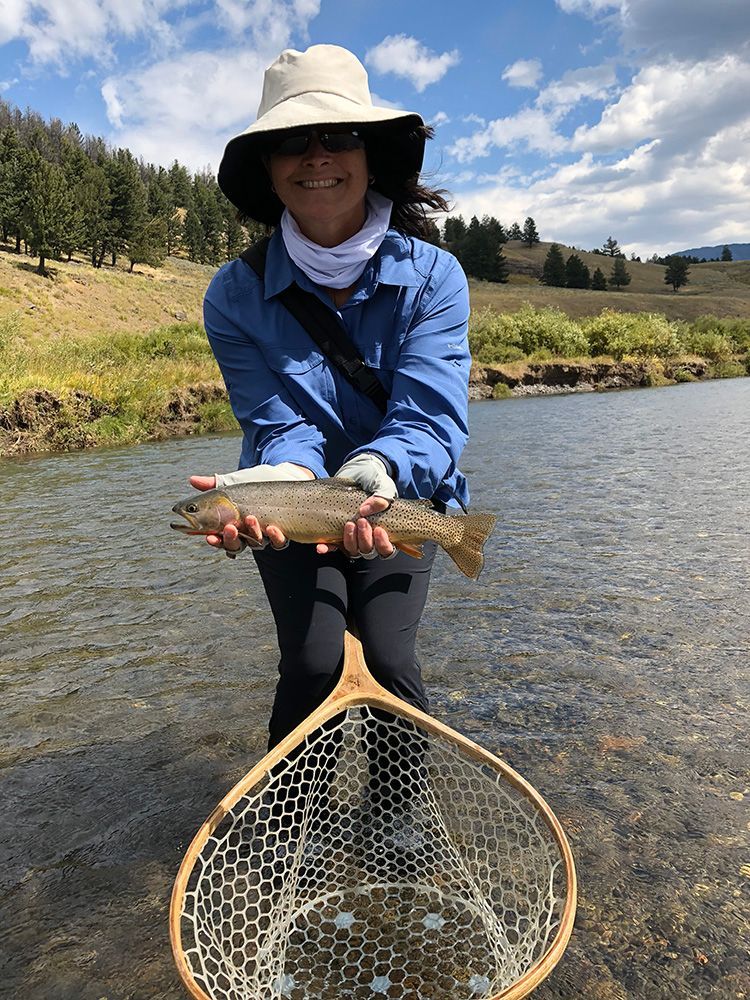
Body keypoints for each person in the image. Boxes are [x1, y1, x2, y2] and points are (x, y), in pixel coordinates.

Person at [191, 44, 471, 752]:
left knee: (389, 658)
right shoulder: (232, 295)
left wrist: (378, 469)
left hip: (400, 494)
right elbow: (275, 421)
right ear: (269, 167)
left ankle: (399, 817)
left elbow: (430, 416)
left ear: (370, 154)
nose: (316, 156)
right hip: (288, 502)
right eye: (291, 141)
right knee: (313, 662)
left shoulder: (435, 276)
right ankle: (298, 816)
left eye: (339, 136)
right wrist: (282, 478)